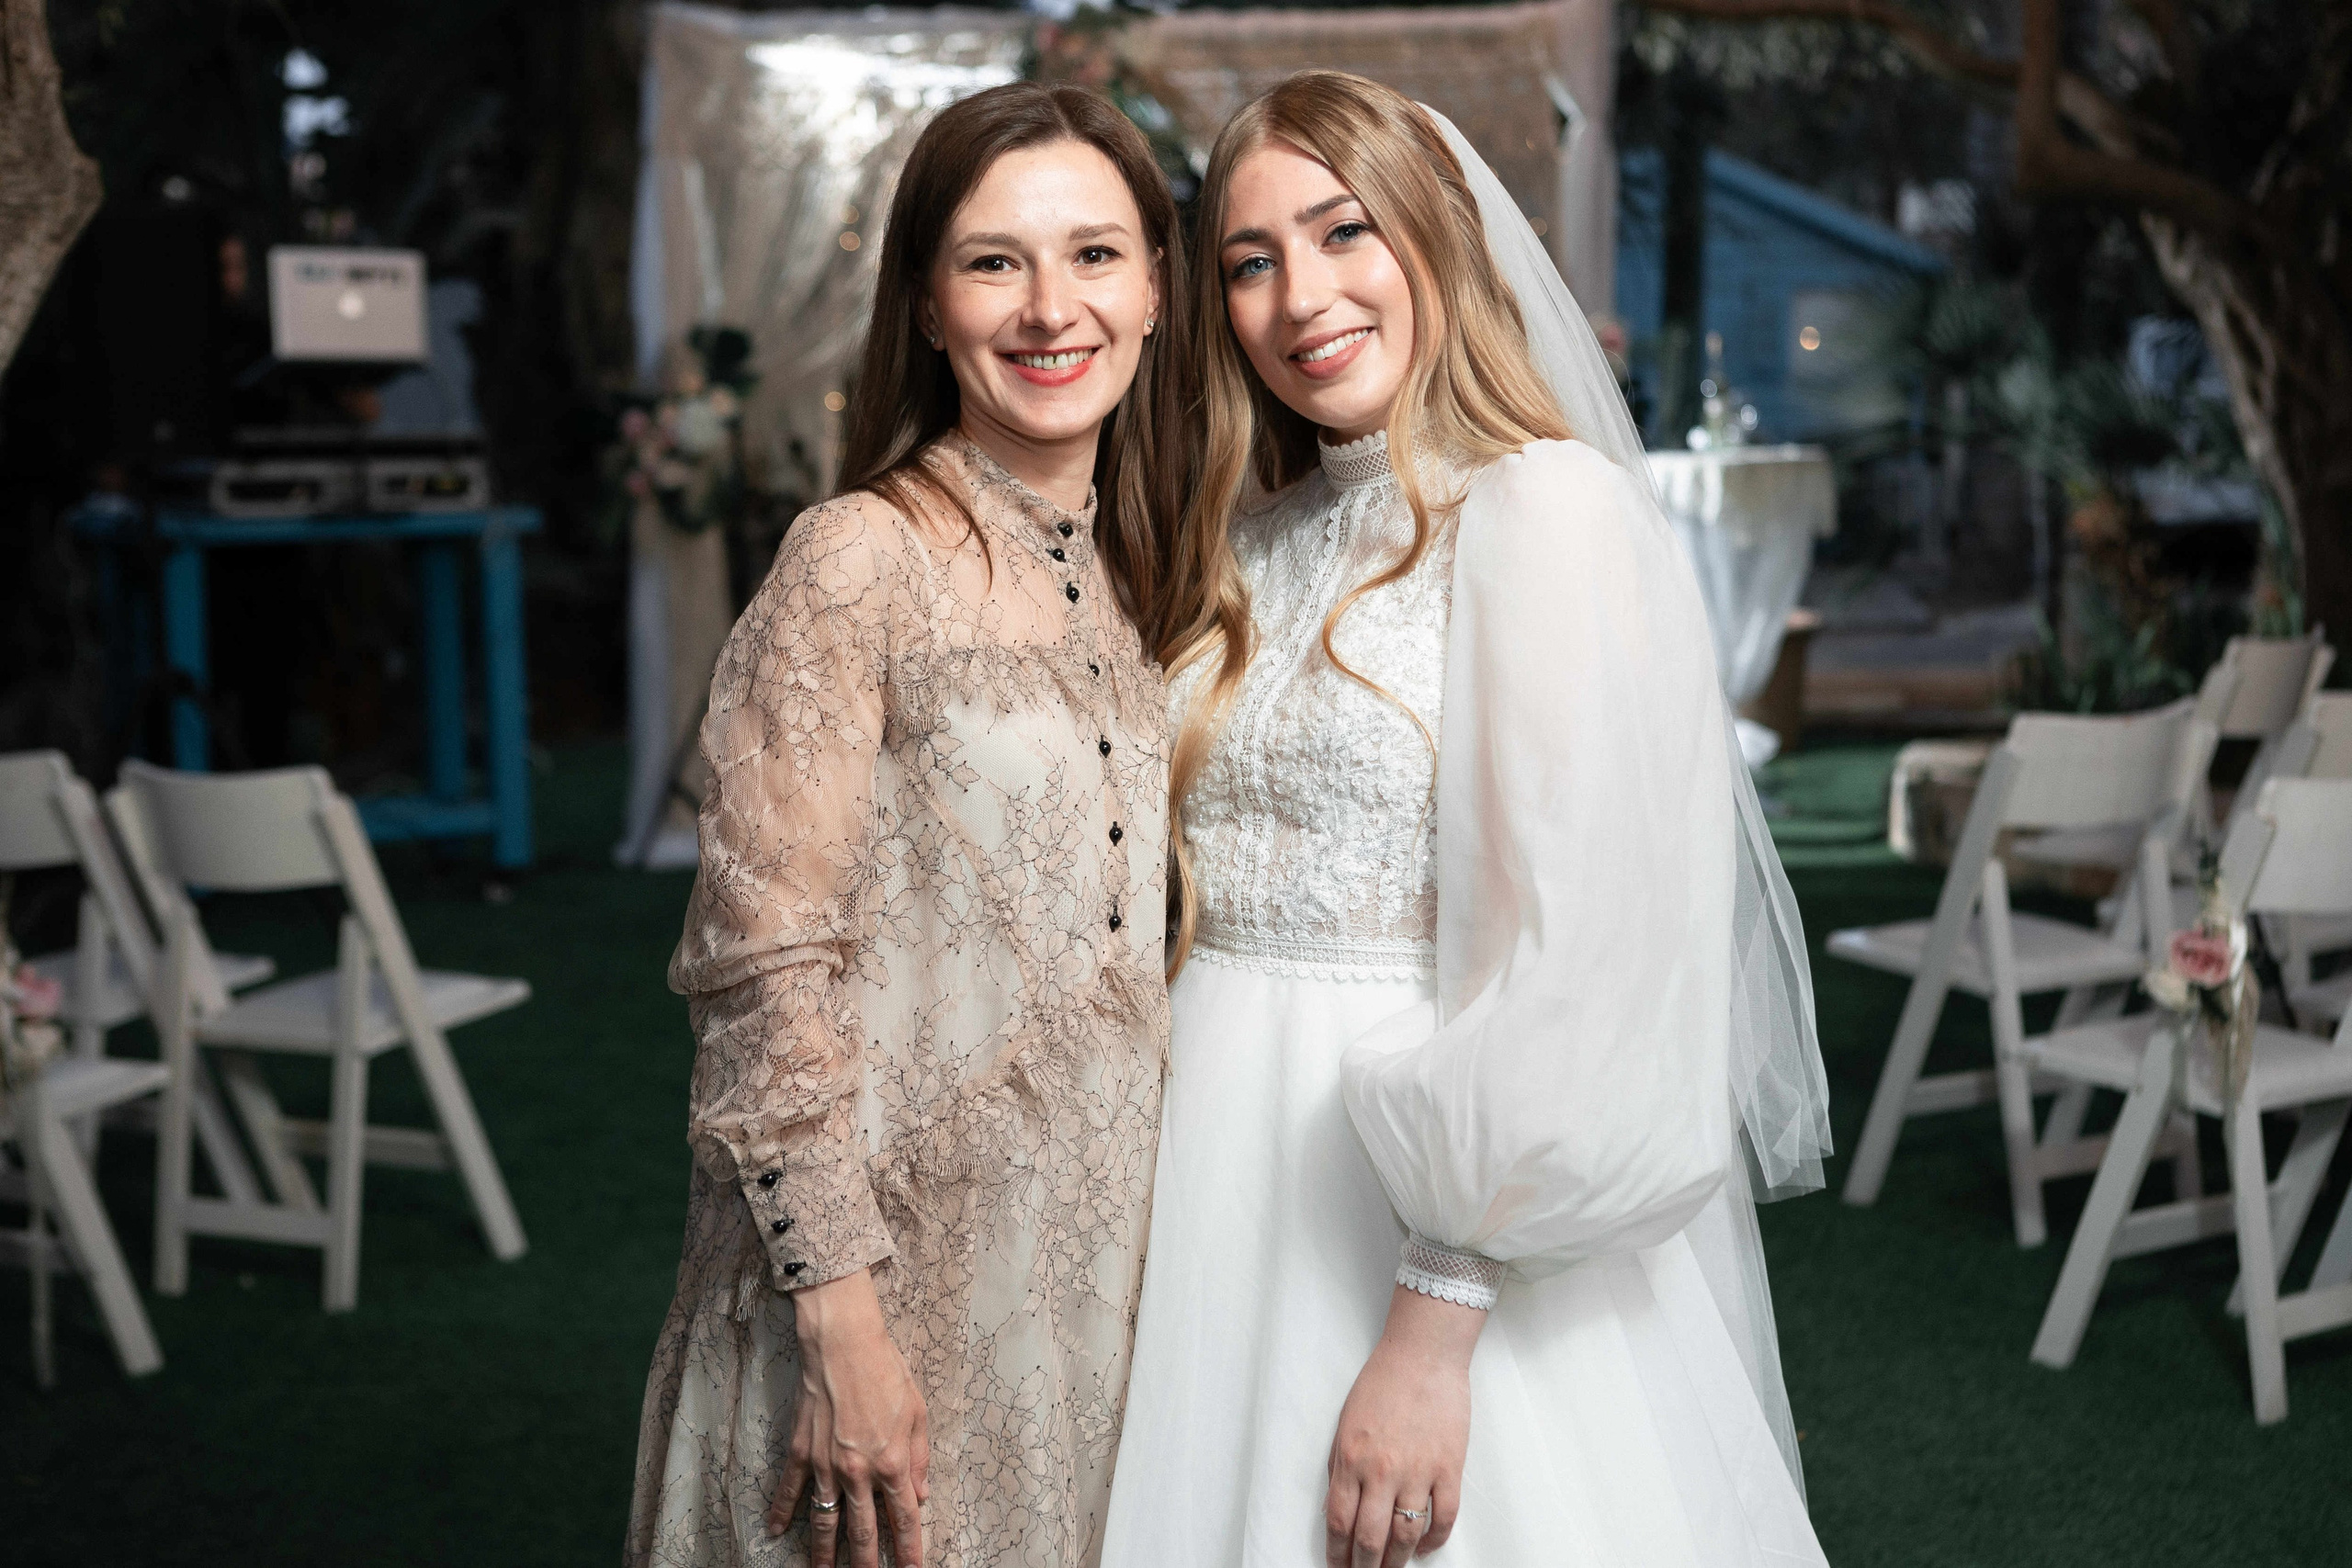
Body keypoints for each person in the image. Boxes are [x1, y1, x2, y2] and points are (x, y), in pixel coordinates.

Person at [1102, 73, 1832, 1568]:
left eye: (1344, 230)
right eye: (1251, 261)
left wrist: (1436, 1327)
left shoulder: (1545, 512)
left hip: (1421, 1227)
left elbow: (1589, 951)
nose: (1303, 295)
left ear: (1435, 236)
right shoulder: (1257, 538)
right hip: (1206, 1185)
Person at [628, 81, 1193, 1568]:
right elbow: (760, 969)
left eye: (1094, 255)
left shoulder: (1160, 567)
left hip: (1097, 1284)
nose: (1048, 306)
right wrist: (840, 1323)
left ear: (1154, 293)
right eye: (994, 260)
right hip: (884, 1284)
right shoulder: (854, 560)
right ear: (929, 307)